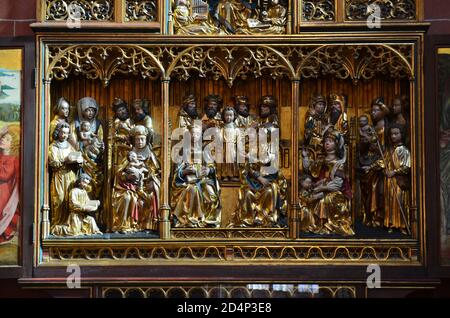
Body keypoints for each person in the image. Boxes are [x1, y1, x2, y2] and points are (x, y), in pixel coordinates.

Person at [229, 96, 287, 228]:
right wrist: (258, 177)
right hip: (253, 180)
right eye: (261, 106)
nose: (262, 109)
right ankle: (248, 220)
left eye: (265, 107)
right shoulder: (254, 146)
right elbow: (247, 165)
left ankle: (265, 219)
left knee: (271, 190)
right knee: (247, 193)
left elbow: (274, 168)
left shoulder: (272, 145)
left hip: (268, 180)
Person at [302, 128, 354, 236]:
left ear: (336, 144)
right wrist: (305, 157)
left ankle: (326, 225)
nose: (327, 143)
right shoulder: (321, 160)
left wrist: (322, 188)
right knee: (304, 198)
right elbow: (310, 170)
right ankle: (313, 223)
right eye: (326, 141)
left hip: (334, 191)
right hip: (319, 187)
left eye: (330, 141)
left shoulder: (340, 163)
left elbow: (337, 184)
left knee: (325, 200)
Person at [112, 125, 160, 233]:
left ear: (146, 139)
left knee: (154, 190)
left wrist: (147, 175)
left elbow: (156, 170)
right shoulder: (130, 154)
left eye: (142, 139)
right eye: (137, 139)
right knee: (128, 197)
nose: (139, 142)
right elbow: (119, 171)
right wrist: (127, 176)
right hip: (130, 185)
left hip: (146, 182)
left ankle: (151, 224)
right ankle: (127, 224)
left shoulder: (150, 154)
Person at [171, 125, 222, 227]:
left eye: (197, 134)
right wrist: (184, 171)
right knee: (192, 189)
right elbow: (176, 171)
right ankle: (188, 220)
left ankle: (209, 221)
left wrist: (208, 170)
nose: (195, 136)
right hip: (187, 180)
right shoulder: (182, 151)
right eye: (192, 133)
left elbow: (211, 166)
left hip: (203, 179)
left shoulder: (204, 150)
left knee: (212, 197)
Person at [49, 122, 82, 234]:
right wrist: (65, 160)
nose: (64, 135)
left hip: (71, 176)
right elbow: (53, 162)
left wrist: (78, 162)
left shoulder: (70, 146)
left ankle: (69, 225)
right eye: (62, 133)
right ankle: (57, 224)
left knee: (70, 200)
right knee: (59, 199)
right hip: (60, 176)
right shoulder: (53, 146)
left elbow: (76, 157)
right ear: (58, 132)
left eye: (67, 134)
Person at [382, 124, 411, 234]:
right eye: (392, 134)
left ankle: (401, 224)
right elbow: (383, 162)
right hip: (389, 181)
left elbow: (407, 167)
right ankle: (391, 223)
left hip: (398, 180)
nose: (393, 136)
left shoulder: (403, 150)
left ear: (401, 135)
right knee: (389, 201)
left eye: (396, 134)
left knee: (399, 201)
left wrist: (394, 172)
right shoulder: (388, 150)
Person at [0, 125, 20, 243]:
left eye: (7, 139)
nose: (2, 139)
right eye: (2, 137)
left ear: (12, 144)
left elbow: (4, 175)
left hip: (4, 193)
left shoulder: (13, 160)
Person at [220, 106, 240, 181]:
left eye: (231, 115)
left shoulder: (236, 129)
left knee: (234, 161)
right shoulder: (222, 129)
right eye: (227, 115)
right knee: (225, 161)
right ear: (223, 116)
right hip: (225, 147)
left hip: (233, 147)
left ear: (234, 116)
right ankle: (225, 175)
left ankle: (233, 175)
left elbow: (239, 140)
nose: (229, 117)